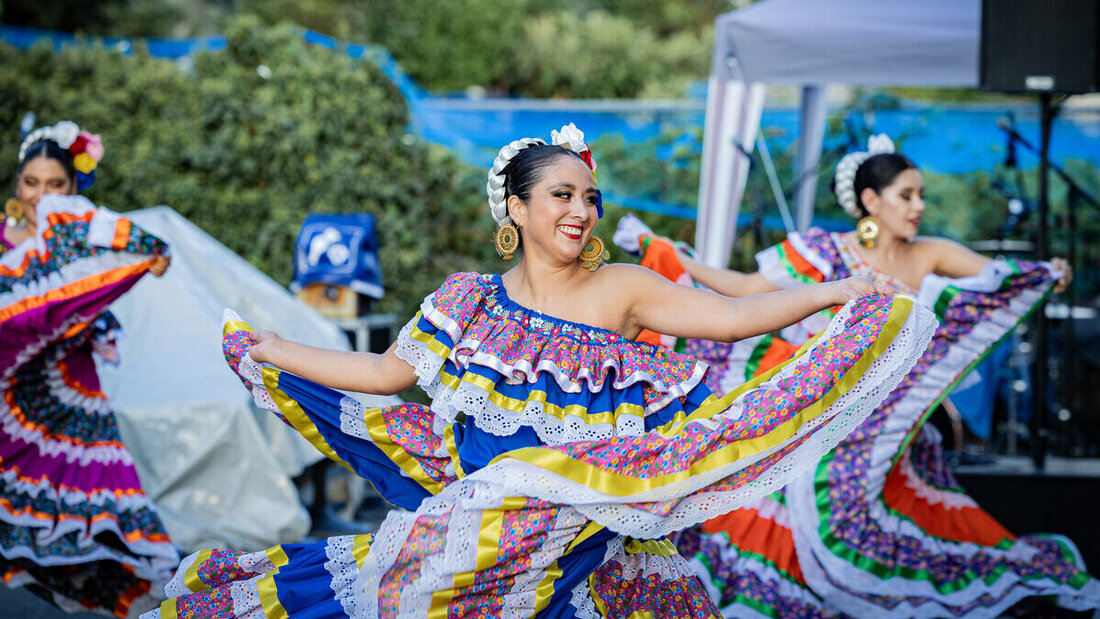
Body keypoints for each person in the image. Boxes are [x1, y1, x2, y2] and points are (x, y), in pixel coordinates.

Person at [144, 124, 935, 618]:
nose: (581, 211)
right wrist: (272, 348)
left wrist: (838, 291)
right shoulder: (466, 301)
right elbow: (386, 373)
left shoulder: (621, 288)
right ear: (515, 210)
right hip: (492, 534)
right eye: (561, 194)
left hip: (593, 535)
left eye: (589, 197)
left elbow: (730, 317)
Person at [616, 134, 1098, 617]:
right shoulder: (824, 250)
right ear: (871, 200)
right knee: (784, 498)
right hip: (828, 407)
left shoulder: (931, 253)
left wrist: (1043, 271)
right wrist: (672, 257)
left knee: (908, 518)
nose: (918, 206)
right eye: (906, 195)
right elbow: (743, 288)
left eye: (921, 195)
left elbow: (996, 277)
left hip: (888, 424)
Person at [0, 121, 178, 617]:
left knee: (97, 505)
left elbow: (146, 250)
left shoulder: (80, 238)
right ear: (17, 184)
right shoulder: (2, 241)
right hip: (11, 396)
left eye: (54, 185)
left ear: (73, 188)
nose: (40, 195)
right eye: (30, 183)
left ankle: (138, 601)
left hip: (71, 392)